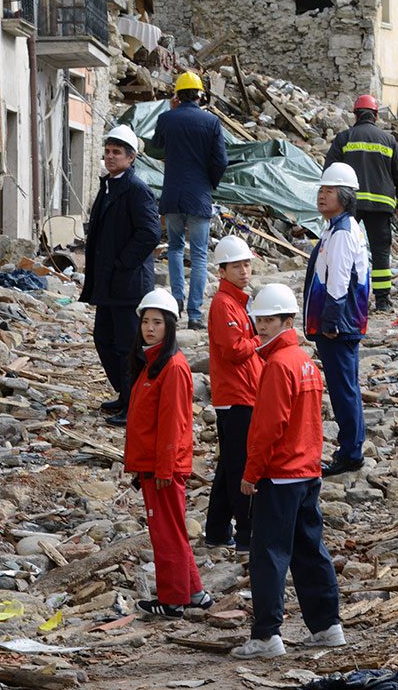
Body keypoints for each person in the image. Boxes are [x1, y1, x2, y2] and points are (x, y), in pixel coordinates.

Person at [233, 284, 343, 659]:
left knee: (269, 554)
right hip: (306, 472)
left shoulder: (278, 365)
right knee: (310, 550)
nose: (261, 327)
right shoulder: (304, 361)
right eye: (259, 320)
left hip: (280, 475)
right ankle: (328, 625)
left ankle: (266, 635)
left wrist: (251, 473)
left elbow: (267, 427)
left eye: (268, 320)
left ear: (286, 320)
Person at [124, 288, 212, 618]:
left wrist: (162, 468)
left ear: (170, 326)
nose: (149, 328)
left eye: (157, 323)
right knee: (172, 529)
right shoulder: (152, 364)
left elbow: (173, 423)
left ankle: (173, 600)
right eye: (146, 322)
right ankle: (194, 593)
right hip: (154, 465)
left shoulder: (171, 367)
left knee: (165, 533)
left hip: (164, 468)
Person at [80, 124, 161, 426]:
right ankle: (125, 395)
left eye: (117, 153)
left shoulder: (136, 189)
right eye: (108, 152)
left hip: (128, 286)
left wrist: (122, 263)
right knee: (104, 339)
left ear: (131, 158)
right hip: (110, 284)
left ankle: (136, 405)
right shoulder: (110, 184)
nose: (110, 157)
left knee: (128, 347)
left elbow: (150, 233)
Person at [303, 162, 370, 477]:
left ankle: (351, 451)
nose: (322, 195)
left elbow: (339, 283)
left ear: (344, 196)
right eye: (321, 189)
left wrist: (329, 323)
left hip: (339, 325)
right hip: (339, 323)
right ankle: (351, 445)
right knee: (346, 386)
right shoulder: (335, 227)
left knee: (344, 388)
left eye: (329, 191)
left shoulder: (343, 232)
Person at [151, 70, 229, 329]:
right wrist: (210, 183)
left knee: (174, 248)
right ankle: (195, 314)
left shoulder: (166, 118)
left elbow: (155, 146)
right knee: (198, 254)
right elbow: (221, 161)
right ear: (200, 96)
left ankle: (176, 303)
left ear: (178, 95)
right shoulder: (211, 122)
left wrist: (170, 110)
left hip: (172, 195)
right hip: (199, 196)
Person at [324, 95, 398, 311]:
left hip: (349, 204)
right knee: (381, 253)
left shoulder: (344, 138)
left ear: (355, 114)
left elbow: (329, 172)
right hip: (381, 207)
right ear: (376, 115)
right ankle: (382, 301)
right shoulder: (389, 140)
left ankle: (346, 297)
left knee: (345, 249)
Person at [205, 234, 262, 551]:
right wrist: (260, 340)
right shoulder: (225, 304)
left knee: (228, 465)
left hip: (239, 394)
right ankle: (245, 536)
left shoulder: (237, 301)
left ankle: (215, 531)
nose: (244, 270)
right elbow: (234, 350)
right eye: (237, 266)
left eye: (247, 264)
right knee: (240, 468)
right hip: (237, 396)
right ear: (221, 271)